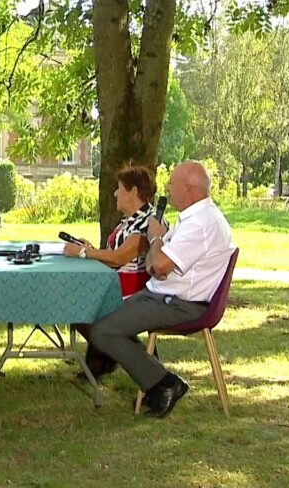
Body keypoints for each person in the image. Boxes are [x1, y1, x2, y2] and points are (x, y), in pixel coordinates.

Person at [90, 161, 234, 418]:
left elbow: (158, 263)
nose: (167, 188)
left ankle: (164, 384)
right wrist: (158, 253)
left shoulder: (199, 224)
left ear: (188, 189)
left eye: (173, 184)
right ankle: (159, 382)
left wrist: (156, 239)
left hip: (179, 304)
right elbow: (152, 267)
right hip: (162, 294)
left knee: (102, 331)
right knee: (100, 320)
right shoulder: (196, 218)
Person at [61, 165, 162, 380]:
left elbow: (119, 258)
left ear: (133, 191)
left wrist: (83, 253)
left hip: (133, 288)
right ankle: (102, 359)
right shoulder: (133, 218)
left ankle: (114, 355)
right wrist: (91, 250)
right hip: (119, 283)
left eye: (119, 188)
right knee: (77, 305)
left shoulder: (148, 222)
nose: (115, 193)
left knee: (79, 307)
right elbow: (117, 254)